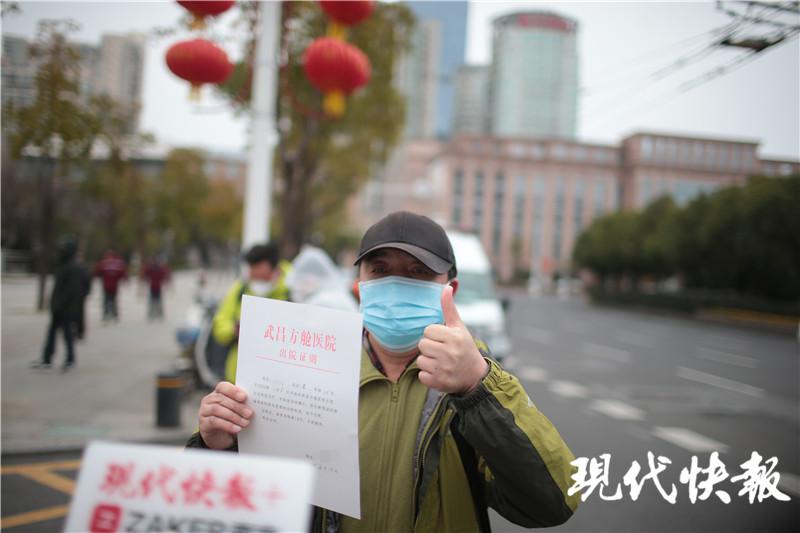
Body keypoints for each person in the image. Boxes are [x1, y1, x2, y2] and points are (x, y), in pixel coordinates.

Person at [187, 212, 580, 532]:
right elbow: (242, 498)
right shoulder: (306, 369)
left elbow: (553, 502)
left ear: (451, 289)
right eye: (380, 269)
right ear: (359, 285)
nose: (396, 284)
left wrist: (478, 387)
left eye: (418, 272)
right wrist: (218, 446)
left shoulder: (473, 387)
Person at [209, 242, 291, 383]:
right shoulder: (240, 289)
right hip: (239, 375)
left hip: (280, 379)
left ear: (275, 268)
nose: (254, 276)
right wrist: (235, 330)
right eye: (252, 270)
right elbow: (220, 325)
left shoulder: (294, 288)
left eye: (260, 271)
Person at [32, 238, 84, 371]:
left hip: (65, 309)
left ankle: (70, 360)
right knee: (52, 333)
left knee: (67, 335)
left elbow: (73, 291)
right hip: (57, 307)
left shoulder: (73, 268)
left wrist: (66, 307)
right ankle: (47, 358)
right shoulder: (62, 265)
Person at [93, 249, 128, 322]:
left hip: (106, 285)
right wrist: (125, 280)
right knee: (114, 299)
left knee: (106, 300)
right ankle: (114, 314)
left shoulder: (103, 263)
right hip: (114, 286)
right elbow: (123, 273)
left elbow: (97, 272)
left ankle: (106, 314)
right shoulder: (118, 263)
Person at [141, 256, 171, 320]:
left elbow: (145, 275)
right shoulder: (159, 268)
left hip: (154, 286)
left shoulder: (151, 268)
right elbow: (165, 276)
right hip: (156, 286)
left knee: (153, 301)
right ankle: (158, 314)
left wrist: (144, 282)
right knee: (157, 301)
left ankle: (153, 314)